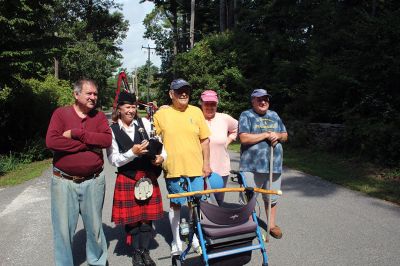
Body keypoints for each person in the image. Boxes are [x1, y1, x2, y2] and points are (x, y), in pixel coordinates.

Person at [46, 79, 111, 266]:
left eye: (95, 94)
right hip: (63, 182)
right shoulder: (60, 114)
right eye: (89, 93)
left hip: (94, 181)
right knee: (63, 231)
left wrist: (77, 134)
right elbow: (52, 142)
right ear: (76, 94)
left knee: (95, 229)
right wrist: (89, 145)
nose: (93, 97)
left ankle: (98, 261)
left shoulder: (98, 117)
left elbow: (106, 141)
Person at [153, 78, 211, 256]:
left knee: (195, 205)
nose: (183, 94)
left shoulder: (196, 111)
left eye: (186, 90)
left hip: (196, 168)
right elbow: (154, 141)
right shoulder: (161, 115)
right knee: (176, 206)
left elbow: (205, 140)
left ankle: (194, 237)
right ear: (171, 94)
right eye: (179, 91)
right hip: (174, 169)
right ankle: (176, 240)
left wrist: (207, 164)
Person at [106, 91, 164, 266]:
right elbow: (113, 160)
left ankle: (145, 251)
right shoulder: (112, 130)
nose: (131, 110)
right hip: (128, 178)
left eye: (133, 107)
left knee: (146, 218)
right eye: (127, 107)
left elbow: (159, 141)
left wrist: (163, 157)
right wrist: (133, 153)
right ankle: (136, 253)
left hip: (148, 175)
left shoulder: (144, 123)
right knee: (133, 220)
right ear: (119, 109)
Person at [238, 88, 288, 239]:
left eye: (265, 99)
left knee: (271, 198)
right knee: (248, 197)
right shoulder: (246, 115)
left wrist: (277, 135)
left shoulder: (274, 115)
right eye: (259, 99)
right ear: (253, 101)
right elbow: (244, 138)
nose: (263, 101)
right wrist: (266, 134)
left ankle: (271, 225)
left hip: (274, 164)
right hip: (251, 166)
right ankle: (246, 224)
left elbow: (285, 135)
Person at [199, 90, 238, 205]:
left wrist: (228, 141)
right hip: (200, 168)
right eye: (207, 104)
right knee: (199, 200)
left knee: (218, 200)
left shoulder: (224, 118)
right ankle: (198, 222)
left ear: (217, 104)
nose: (210, 107)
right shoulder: (196, 118)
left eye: (213, 104)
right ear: (201, 103)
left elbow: (237, 128)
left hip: (221, 167)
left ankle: (215, 222)